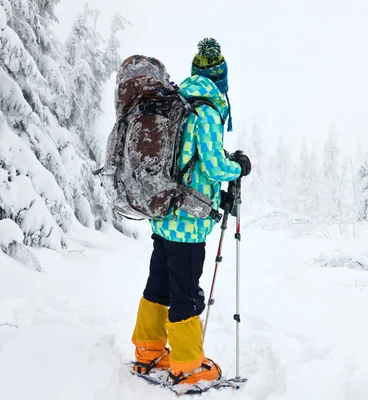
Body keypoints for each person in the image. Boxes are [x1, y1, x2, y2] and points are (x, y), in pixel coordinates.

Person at [130, 38, 251, 385]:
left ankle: (148, 350)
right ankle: (187, 364)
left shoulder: (178, 105)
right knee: (184, 288)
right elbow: (213, 166)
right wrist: (238, 168)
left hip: (163, 211)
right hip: (187, 221)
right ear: (221, 80)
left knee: (159, 282)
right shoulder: (208, 112)